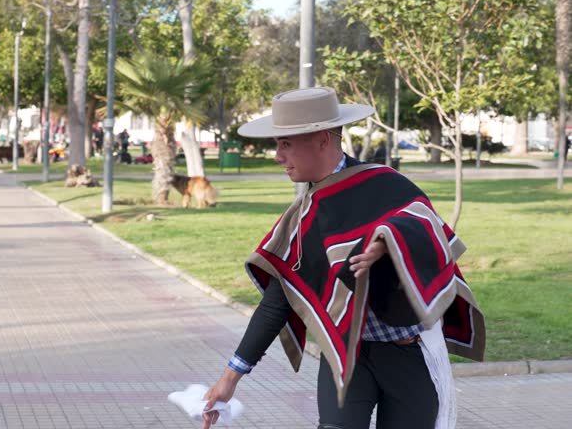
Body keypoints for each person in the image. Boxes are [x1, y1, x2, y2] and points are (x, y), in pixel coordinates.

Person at [201, 87, 485, 429]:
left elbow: (425, 227)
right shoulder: (304, 216)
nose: (277, 155)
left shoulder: (387, 185)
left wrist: (390, 240)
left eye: (286, 143)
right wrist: (231, 377)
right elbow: (280, 299)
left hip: (408, 354)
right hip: (345, 356)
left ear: (321, 139)